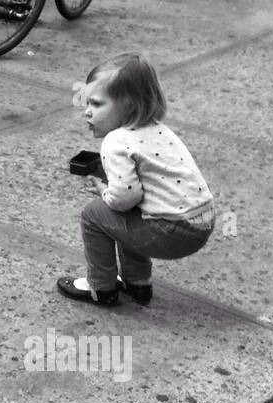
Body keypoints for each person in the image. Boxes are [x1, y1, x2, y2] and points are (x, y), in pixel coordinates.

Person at [57, 54, 214, 306]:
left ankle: (101, 287)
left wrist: (103, 191)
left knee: (95, 214)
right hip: (201, 222)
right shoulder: (159, 130)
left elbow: (123, 199)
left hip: (172, 230)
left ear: (128, 106)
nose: (86, 112)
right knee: (127, 218)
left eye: (96, 104)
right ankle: (137, 283)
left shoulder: (115, 140)